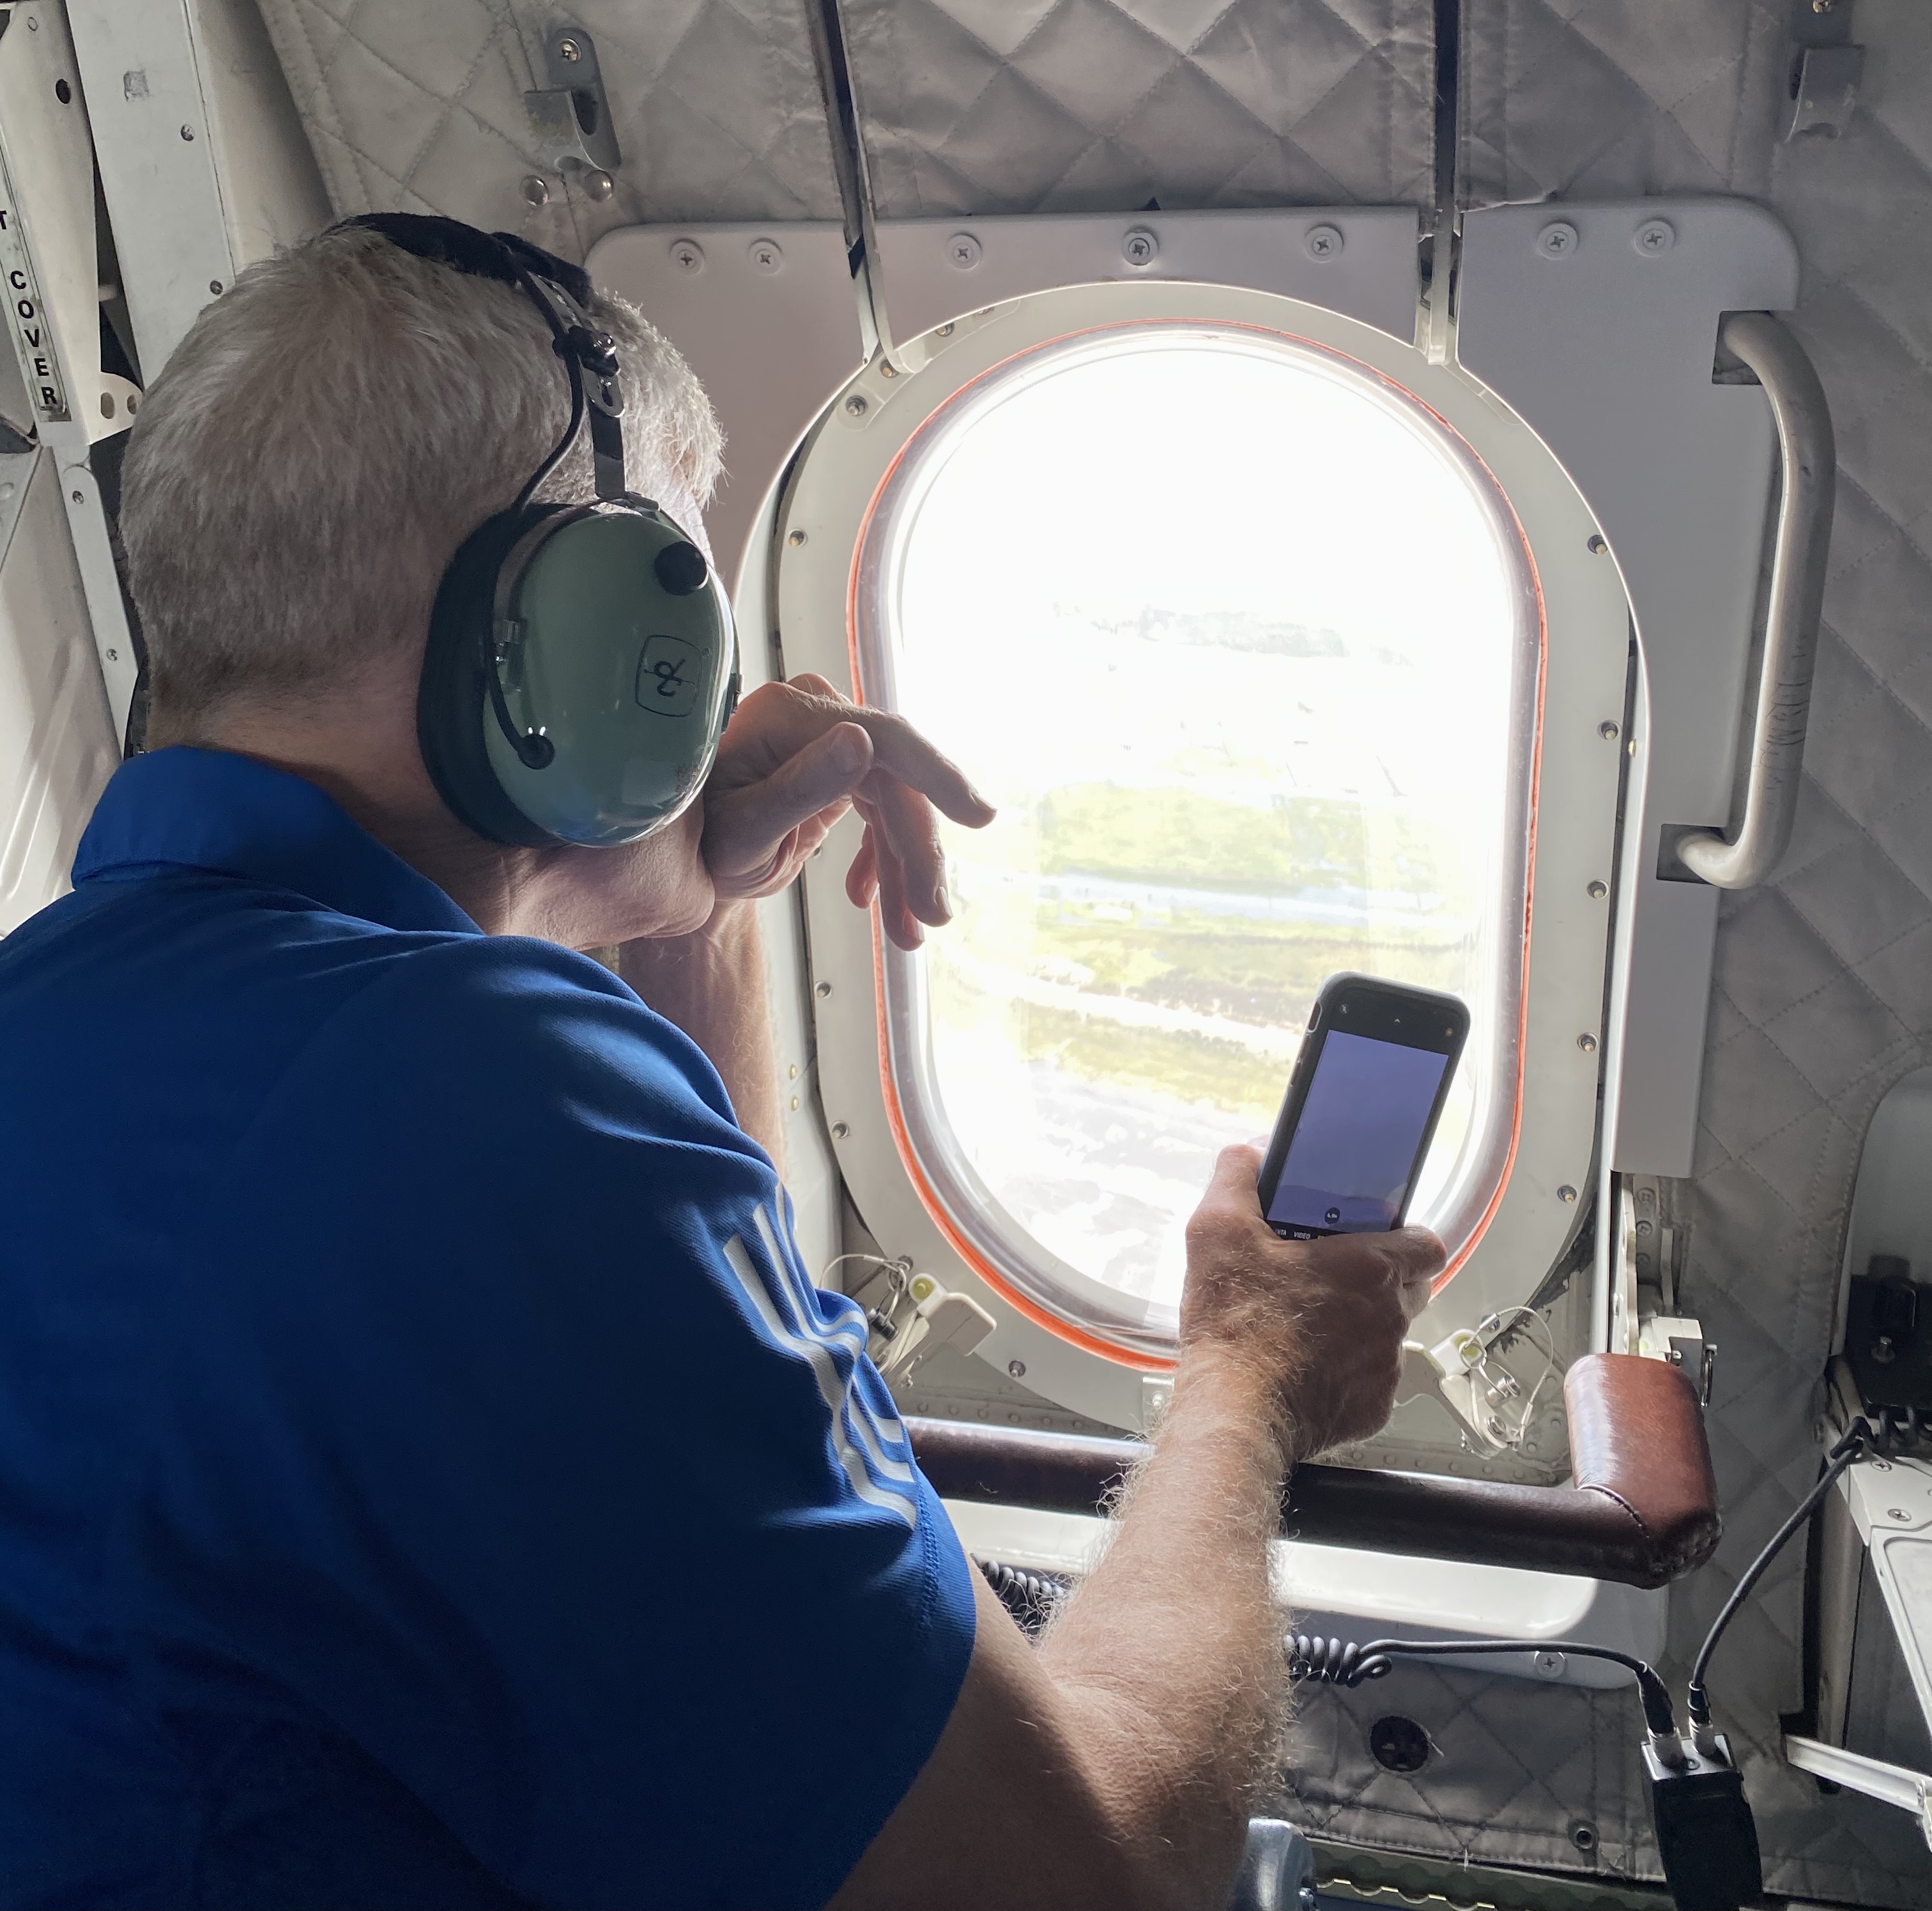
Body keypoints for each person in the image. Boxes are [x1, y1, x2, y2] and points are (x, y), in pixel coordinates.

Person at [0, 219, 1443, 1910]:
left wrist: (675, 898)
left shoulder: (67, 1012)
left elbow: (712, 1346)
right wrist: (1249, 1379)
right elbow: (1090, 1879)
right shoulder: (474, 1105)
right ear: (605, 629)